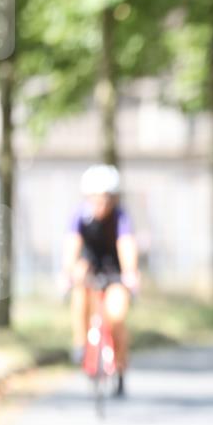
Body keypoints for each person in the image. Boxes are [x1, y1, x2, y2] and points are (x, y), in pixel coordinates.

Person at [62, 164, 139, 397]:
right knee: (79, 291)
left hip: (114, 271)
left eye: (106, 198)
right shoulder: (80, 217)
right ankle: (80, 343)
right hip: (89, 266)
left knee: (116, 317)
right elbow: (71, 246)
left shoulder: (120, 218)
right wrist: (68, 271)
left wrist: (131, 273)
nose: (101, 204)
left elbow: (127, 246)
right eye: (96, 198)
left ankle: (121, 366)